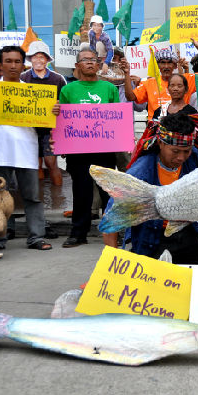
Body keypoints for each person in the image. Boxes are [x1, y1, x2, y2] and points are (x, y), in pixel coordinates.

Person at [102, 114, 198, 264]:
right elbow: (111, 217)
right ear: (161, 143)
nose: (181, 157)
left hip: (186, 231)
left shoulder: (196, 158)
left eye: (186, 151)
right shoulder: (140, 172)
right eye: (175, 151)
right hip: (151, 237)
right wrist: (114, 261)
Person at [0, 46, 52, 251]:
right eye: (8, 61)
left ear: (23, 65)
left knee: (33, 197)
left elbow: (46, 122)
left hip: (26, 151)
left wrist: (53, 111)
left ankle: (36, 237)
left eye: (17, 61)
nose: (13, 65)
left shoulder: (33, 92)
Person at [55, 48, 119, 248]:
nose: (90, 62)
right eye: (85, 60)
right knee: (81, 192)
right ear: (77, 66)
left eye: (94, 59)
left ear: (99, 64)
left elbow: (117, 119)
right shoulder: (68, 90)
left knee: (108, 192)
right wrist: (56, 113)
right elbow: (61, 121)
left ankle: (114, 231)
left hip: (105, 149)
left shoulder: (110, 89)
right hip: (78, 151)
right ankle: (78, 233)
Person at [122, 42, 198, 120]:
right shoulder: (148, 83)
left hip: (180, 128)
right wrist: (126, 74)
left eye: (169, 63)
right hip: (156, 130)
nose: (166, 66)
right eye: (163, 63)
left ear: (175, 66)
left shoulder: (186, 79)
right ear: (158, 65)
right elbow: (131, 97)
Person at [20, 40, 66, 187]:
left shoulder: (57, 79)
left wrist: (59, 106)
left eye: (42, 57)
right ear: (30, 59)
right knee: (36, 163)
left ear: (47, 59)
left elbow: (65, 103)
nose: (38, 60)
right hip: (29, 129)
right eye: (35, 56)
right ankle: (40, 197)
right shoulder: (23, 79)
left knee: (51, 162)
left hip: (51, 129)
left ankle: (58, 197)